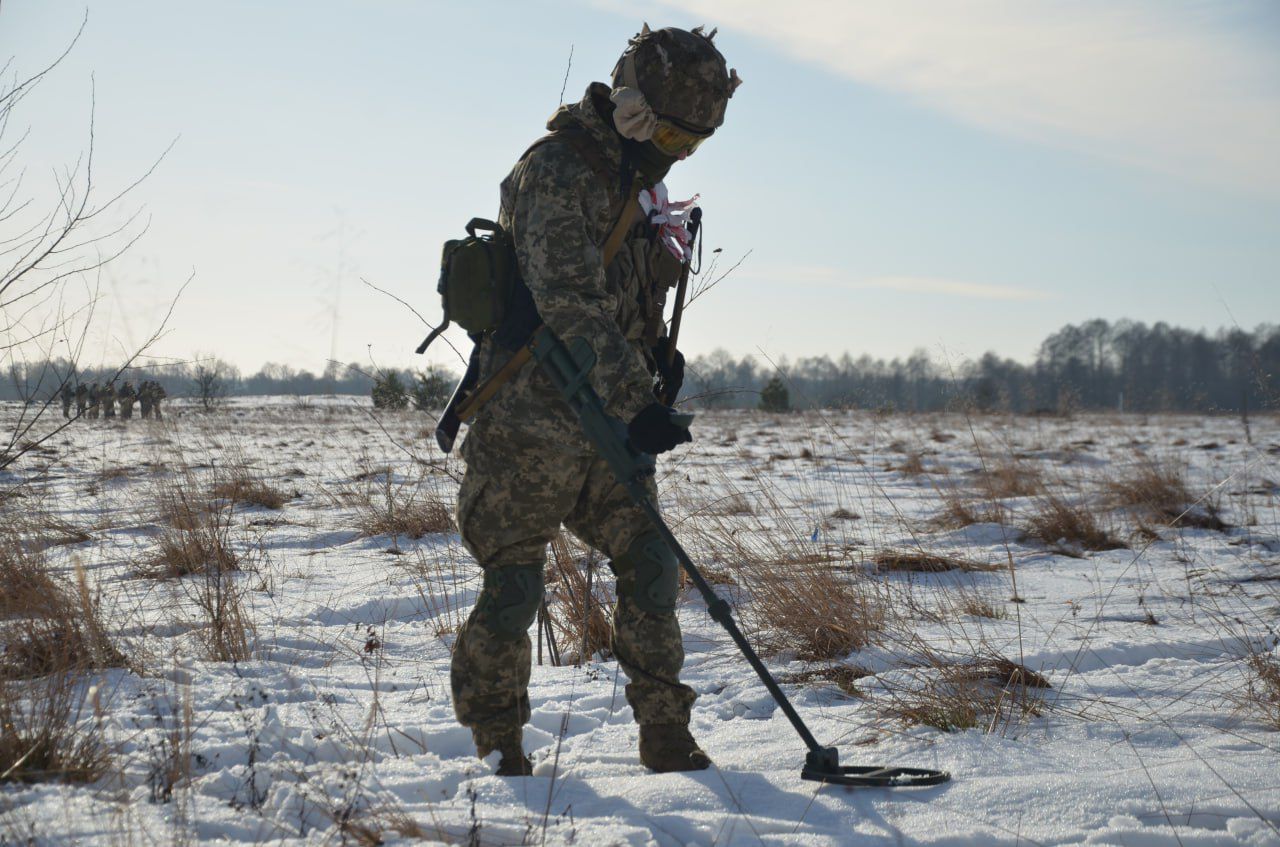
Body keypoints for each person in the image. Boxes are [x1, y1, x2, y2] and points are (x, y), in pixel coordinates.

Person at [449, 25, 738, 776]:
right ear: (633, 107)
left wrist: (658, 365)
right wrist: (635, 398)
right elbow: (570, 301)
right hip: (529, 425)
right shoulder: (557, 171)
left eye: (693, 141)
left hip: (607, 422)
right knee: (514, 588)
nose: (676, 151)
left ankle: (665, 731)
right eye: (671, 131)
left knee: (649, 565)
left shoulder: (638, 187)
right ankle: (498, 744)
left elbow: (623, 302)